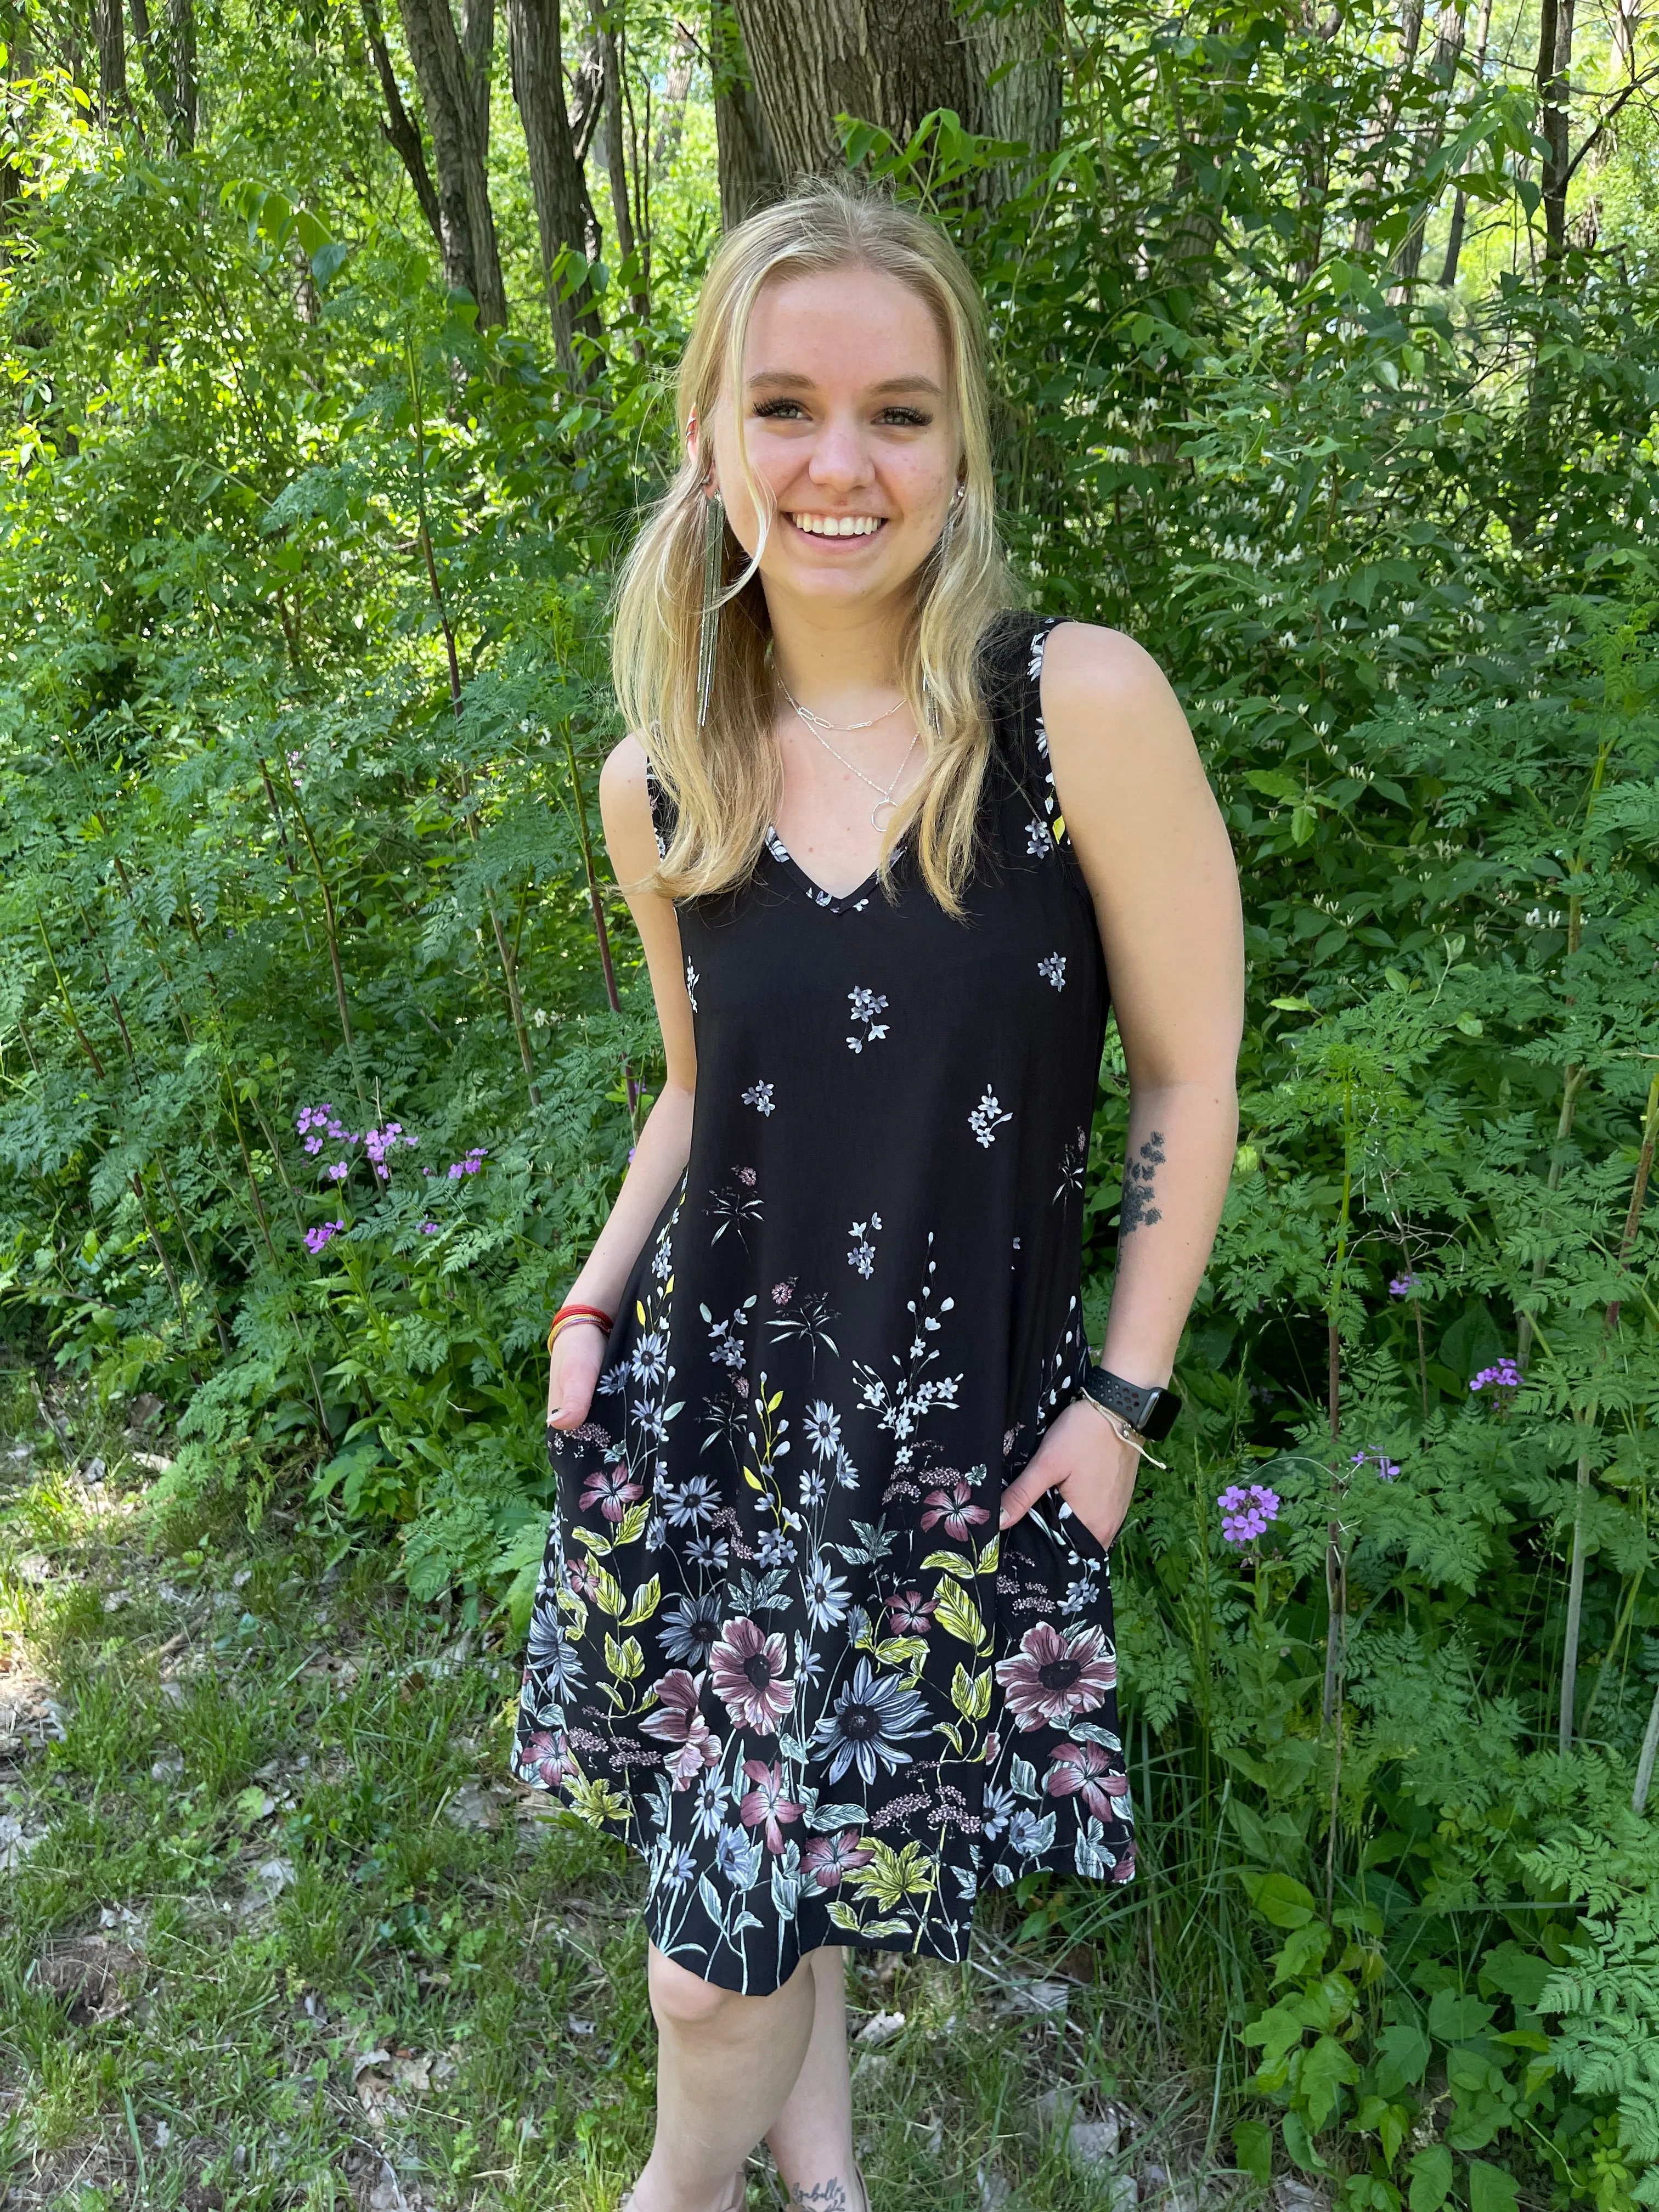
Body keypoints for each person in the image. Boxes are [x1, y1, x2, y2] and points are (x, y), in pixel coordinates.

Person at [512, 181, 1244, 2212]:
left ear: (959, 446)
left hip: (941, 1444)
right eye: (789, 406)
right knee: (737, 1927)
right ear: (714, 434)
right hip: (719, 1428)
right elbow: (693, 1095)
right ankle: (816, 2188)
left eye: (900, 413)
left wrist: (1125, 1403)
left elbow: (1190, 1069)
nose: (843, 463)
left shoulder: (1072, 711)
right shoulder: (661, 774)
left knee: (722, 1946)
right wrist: (587, 1302)